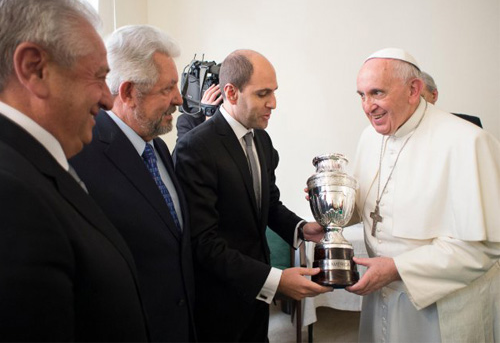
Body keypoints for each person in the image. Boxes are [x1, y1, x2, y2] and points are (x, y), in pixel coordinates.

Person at [0, 0, 149, 341]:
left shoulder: (35, 164)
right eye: (98, 77)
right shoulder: (10, 193)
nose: (108, 100)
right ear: (34, 69)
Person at [174, 49, 332, 342]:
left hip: (257, 299)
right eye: (263, 94)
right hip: (218, 305)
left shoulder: (261, 138)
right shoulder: (196, 148)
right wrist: (276, 280)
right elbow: (204, 244)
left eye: (273, 92)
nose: (273, 103)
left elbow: (268, 203)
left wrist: (302, 228)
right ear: (231, 93)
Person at [347, 47, 500, 342]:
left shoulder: (468, 142)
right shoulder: (369, 137)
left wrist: (399, 268)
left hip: (442, 307)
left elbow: (486, 246)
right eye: (361, 95)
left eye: (377, 92)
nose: (368, 107)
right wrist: (334, 211)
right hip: (380, 294)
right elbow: (370, 204)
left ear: (414, 90)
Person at [70, 25, 195, 342]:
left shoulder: (158, 147)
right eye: (167, 89)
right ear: (127, 93)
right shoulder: (80, 154)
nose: (179, 99)